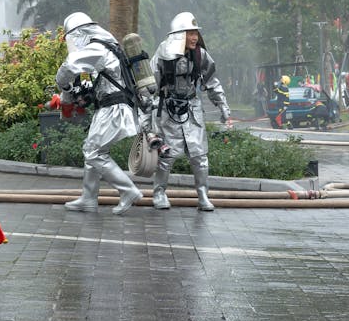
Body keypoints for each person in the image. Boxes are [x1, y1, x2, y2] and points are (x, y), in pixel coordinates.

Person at [56, 12, 144, 215]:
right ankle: (88, 198)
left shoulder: (97, 48)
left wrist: (61, 83)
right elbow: (87, 84)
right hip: (108, 107)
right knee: (91, 151)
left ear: (79, 33)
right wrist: (69, 96)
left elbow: (69, 65)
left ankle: (129, 190)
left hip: (113, 108)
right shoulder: (104, 48)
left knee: (94, 152)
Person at [150, 12, 231, 211]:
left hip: (192, 110)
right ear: (179, 35)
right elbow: (151, 84)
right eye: (190, 33)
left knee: (200, 156)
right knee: (166, 156)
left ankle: (203, 194)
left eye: (196, 33)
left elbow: (211, 81)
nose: (194, 37)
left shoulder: (200, 55)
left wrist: (223, 106)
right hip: (168, 111)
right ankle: (159, 193)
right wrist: (148, 116)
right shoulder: (163, 53)